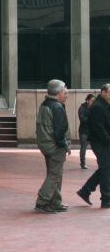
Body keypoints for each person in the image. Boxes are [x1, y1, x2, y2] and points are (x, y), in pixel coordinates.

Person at [35, 79, 71, 213]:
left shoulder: (46, 104)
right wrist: (65, 145)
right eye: (65, 90)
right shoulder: (57, 107)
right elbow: (59, 131)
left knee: (55, 173)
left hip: (46, 145)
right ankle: (42, 201)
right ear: (58, 92)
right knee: (55, 175)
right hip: (55, 146)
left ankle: (56, 202)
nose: (66, 93)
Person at [78, 85, 110, 208]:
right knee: (106, 170)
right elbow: (99, 128)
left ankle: (85, 191)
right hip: (101, 143)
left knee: (104, 168)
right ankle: (106, 199)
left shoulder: (105, 105)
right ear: (103, 92)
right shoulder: (98, 107)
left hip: (103, 142)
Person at [79, 93, 95, 170]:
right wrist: (91, 119)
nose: (93, 102)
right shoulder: (82, 108)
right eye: (92, 101)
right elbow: (82, 119)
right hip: (84, 131)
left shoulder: (94, 108)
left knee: (96, 146)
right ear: (88, 100)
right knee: (83, 147)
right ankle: (83, 163)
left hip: (92, 131)